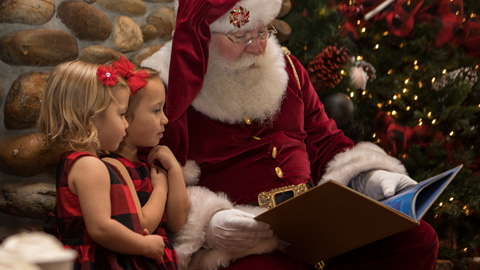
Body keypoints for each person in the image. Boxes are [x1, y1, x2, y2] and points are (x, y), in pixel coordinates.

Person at [140, 0, 439, 269]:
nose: (258, 46)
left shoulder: (288, 69)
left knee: (417, 238)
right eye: (240, 36)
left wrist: (370, 177)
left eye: (262, 32)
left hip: (319, 228)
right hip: (246, 245)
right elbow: (148, 179)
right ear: (201, 38)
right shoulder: (170, 94)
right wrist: (207, 223)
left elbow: (326, 142)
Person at [38, 60, 167, 269]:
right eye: (121, 114)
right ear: (92, 117)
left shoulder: (74, 161)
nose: (126, 123)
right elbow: (101, 228)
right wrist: (143, 245)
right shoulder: (90, 165)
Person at [101, 56, 190, 270]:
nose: (165, 119)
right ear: (126, 117)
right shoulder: (112, 166)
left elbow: (178, 222)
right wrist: (160, 188)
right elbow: (142, 225)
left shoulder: (146, 165)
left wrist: (175, 171)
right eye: (156, 110)